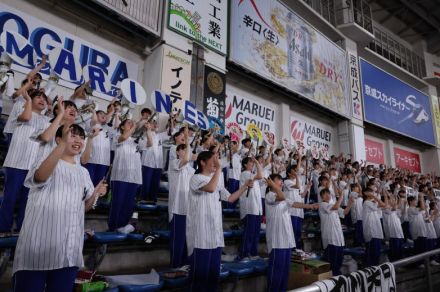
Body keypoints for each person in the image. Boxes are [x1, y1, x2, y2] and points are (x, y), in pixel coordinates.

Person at [12, 124, 107, 292]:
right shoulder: (46, 161)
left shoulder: (84, 173)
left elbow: (83, 207)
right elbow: (40, 177)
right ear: (59, 139)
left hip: (69, 252)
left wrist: (96, 194)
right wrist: (63, 143)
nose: (78, 140)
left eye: (81, 137)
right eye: (73, 135)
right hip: (38, 250)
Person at [186, 151, 252, 292]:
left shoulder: (216, 181)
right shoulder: (196, 178)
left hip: (215, 237)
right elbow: (210, 188)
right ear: (202, 162)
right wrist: (220, 169)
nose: (216, 162)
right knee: (200, 279)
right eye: (213, 159)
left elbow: (230, 198)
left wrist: (245, 186)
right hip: (201, 237)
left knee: (213, 278)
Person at [0, 89, 49, 232]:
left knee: (27, 202)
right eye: (38, 97)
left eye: (44, 99)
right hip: (16, 163)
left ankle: (21, 230)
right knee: (10, 199)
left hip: (34, 167)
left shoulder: (47, 120)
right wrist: (27, 101)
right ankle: (3, 229)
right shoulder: (21, 111)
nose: (42, 100)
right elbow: (27, 117)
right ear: (30, 99)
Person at [265, 174, 318, 291]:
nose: (281, 181)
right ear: (271, 183)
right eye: (278, 180)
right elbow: (282, 196)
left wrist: (310, 206)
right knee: (276, 273)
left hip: (287, 240)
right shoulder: (270, 195)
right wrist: (273, 185)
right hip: (277, 241)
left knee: (284, 272)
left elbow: (294, 203)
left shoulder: (281, 196)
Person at [168, 126, 194, 268]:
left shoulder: (191, 169)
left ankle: (185, 263)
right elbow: (185, 160)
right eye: (182, 149)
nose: (185, 151)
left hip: (188, 208)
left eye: (186, 149)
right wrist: (188, 141)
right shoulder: (174, 163)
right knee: (177, 239)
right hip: (177, 208)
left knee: (186, 238)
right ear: (177, 152)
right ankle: (175, 265)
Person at [108, 119, 142, 232]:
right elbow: (123, 138)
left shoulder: (136, 141)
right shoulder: (117, 137)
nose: (132, 124)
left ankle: (123, 227)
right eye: (129, 123)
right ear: (122, 127)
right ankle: (113, 228)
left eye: (132, 123)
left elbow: (150, 143)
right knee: (118, 203)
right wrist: (134, 127)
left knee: (128, 204)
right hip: (120, 176)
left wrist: (148, 131)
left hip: (134, 177)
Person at [319, 188, 353, 275]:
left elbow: (345, 212)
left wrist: (350, 203)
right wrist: (341, 195)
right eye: (325, 194)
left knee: (339, 262)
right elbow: (336, 207)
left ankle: (338, 279)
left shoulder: (333, 204)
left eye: (328, 194)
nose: (327, 195)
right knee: (332, 263)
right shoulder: (322, 205)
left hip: (338, 238)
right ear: (321, 197)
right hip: (330, 239)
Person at [238, 156, 263, 259]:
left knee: (256, 232)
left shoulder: (252, 175)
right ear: (245, 164)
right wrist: (257, 161)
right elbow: (260, 175)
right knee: (249, 232)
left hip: (257, 209)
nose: (252, 164)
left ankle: (253, 253)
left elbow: (261, 179)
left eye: (253, 162)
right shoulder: (245, 174)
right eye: (250, 162)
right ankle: (244, 254)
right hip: (249, 208)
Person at [140, 119, 168, 203]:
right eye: (152, 123)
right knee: (146, 182)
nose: (155, 124)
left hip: (158, 164)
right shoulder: (142, 137)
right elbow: (149, 144)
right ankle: (143, 199)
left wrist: (171, 120)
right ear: (147, 125)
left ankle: (153, 199)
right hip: (147, 163)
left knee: (155, 183)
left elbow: (170, 132)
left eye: (156, 123)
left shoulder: (159, 136)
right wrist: (148, 130)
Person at [84, 110, 111, 186]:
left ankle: (94, 198)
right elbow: (95, 120)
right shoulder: (91, 124)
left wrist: (114, 111)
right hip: (91, 160)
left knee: (97, 185)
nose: (104, 115)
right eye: (101, 114)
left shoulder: (108, 127)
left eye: (105, 114)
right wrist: (93, 111)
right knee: (87, 183)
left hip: (104, 162)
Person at [362, 188, 385, 266]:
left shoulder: (372, 202)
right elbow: (382, 204)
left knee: (377, 252)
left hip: (376, 230)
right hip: (371, 231)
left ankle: (375, 268)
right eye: (371, 192)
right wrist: (375, 197)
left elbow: (383, 205)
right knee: (372, 252)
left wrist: (375, 198)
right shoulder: (366, 202)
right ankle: (370, 269)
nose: (373, 194)